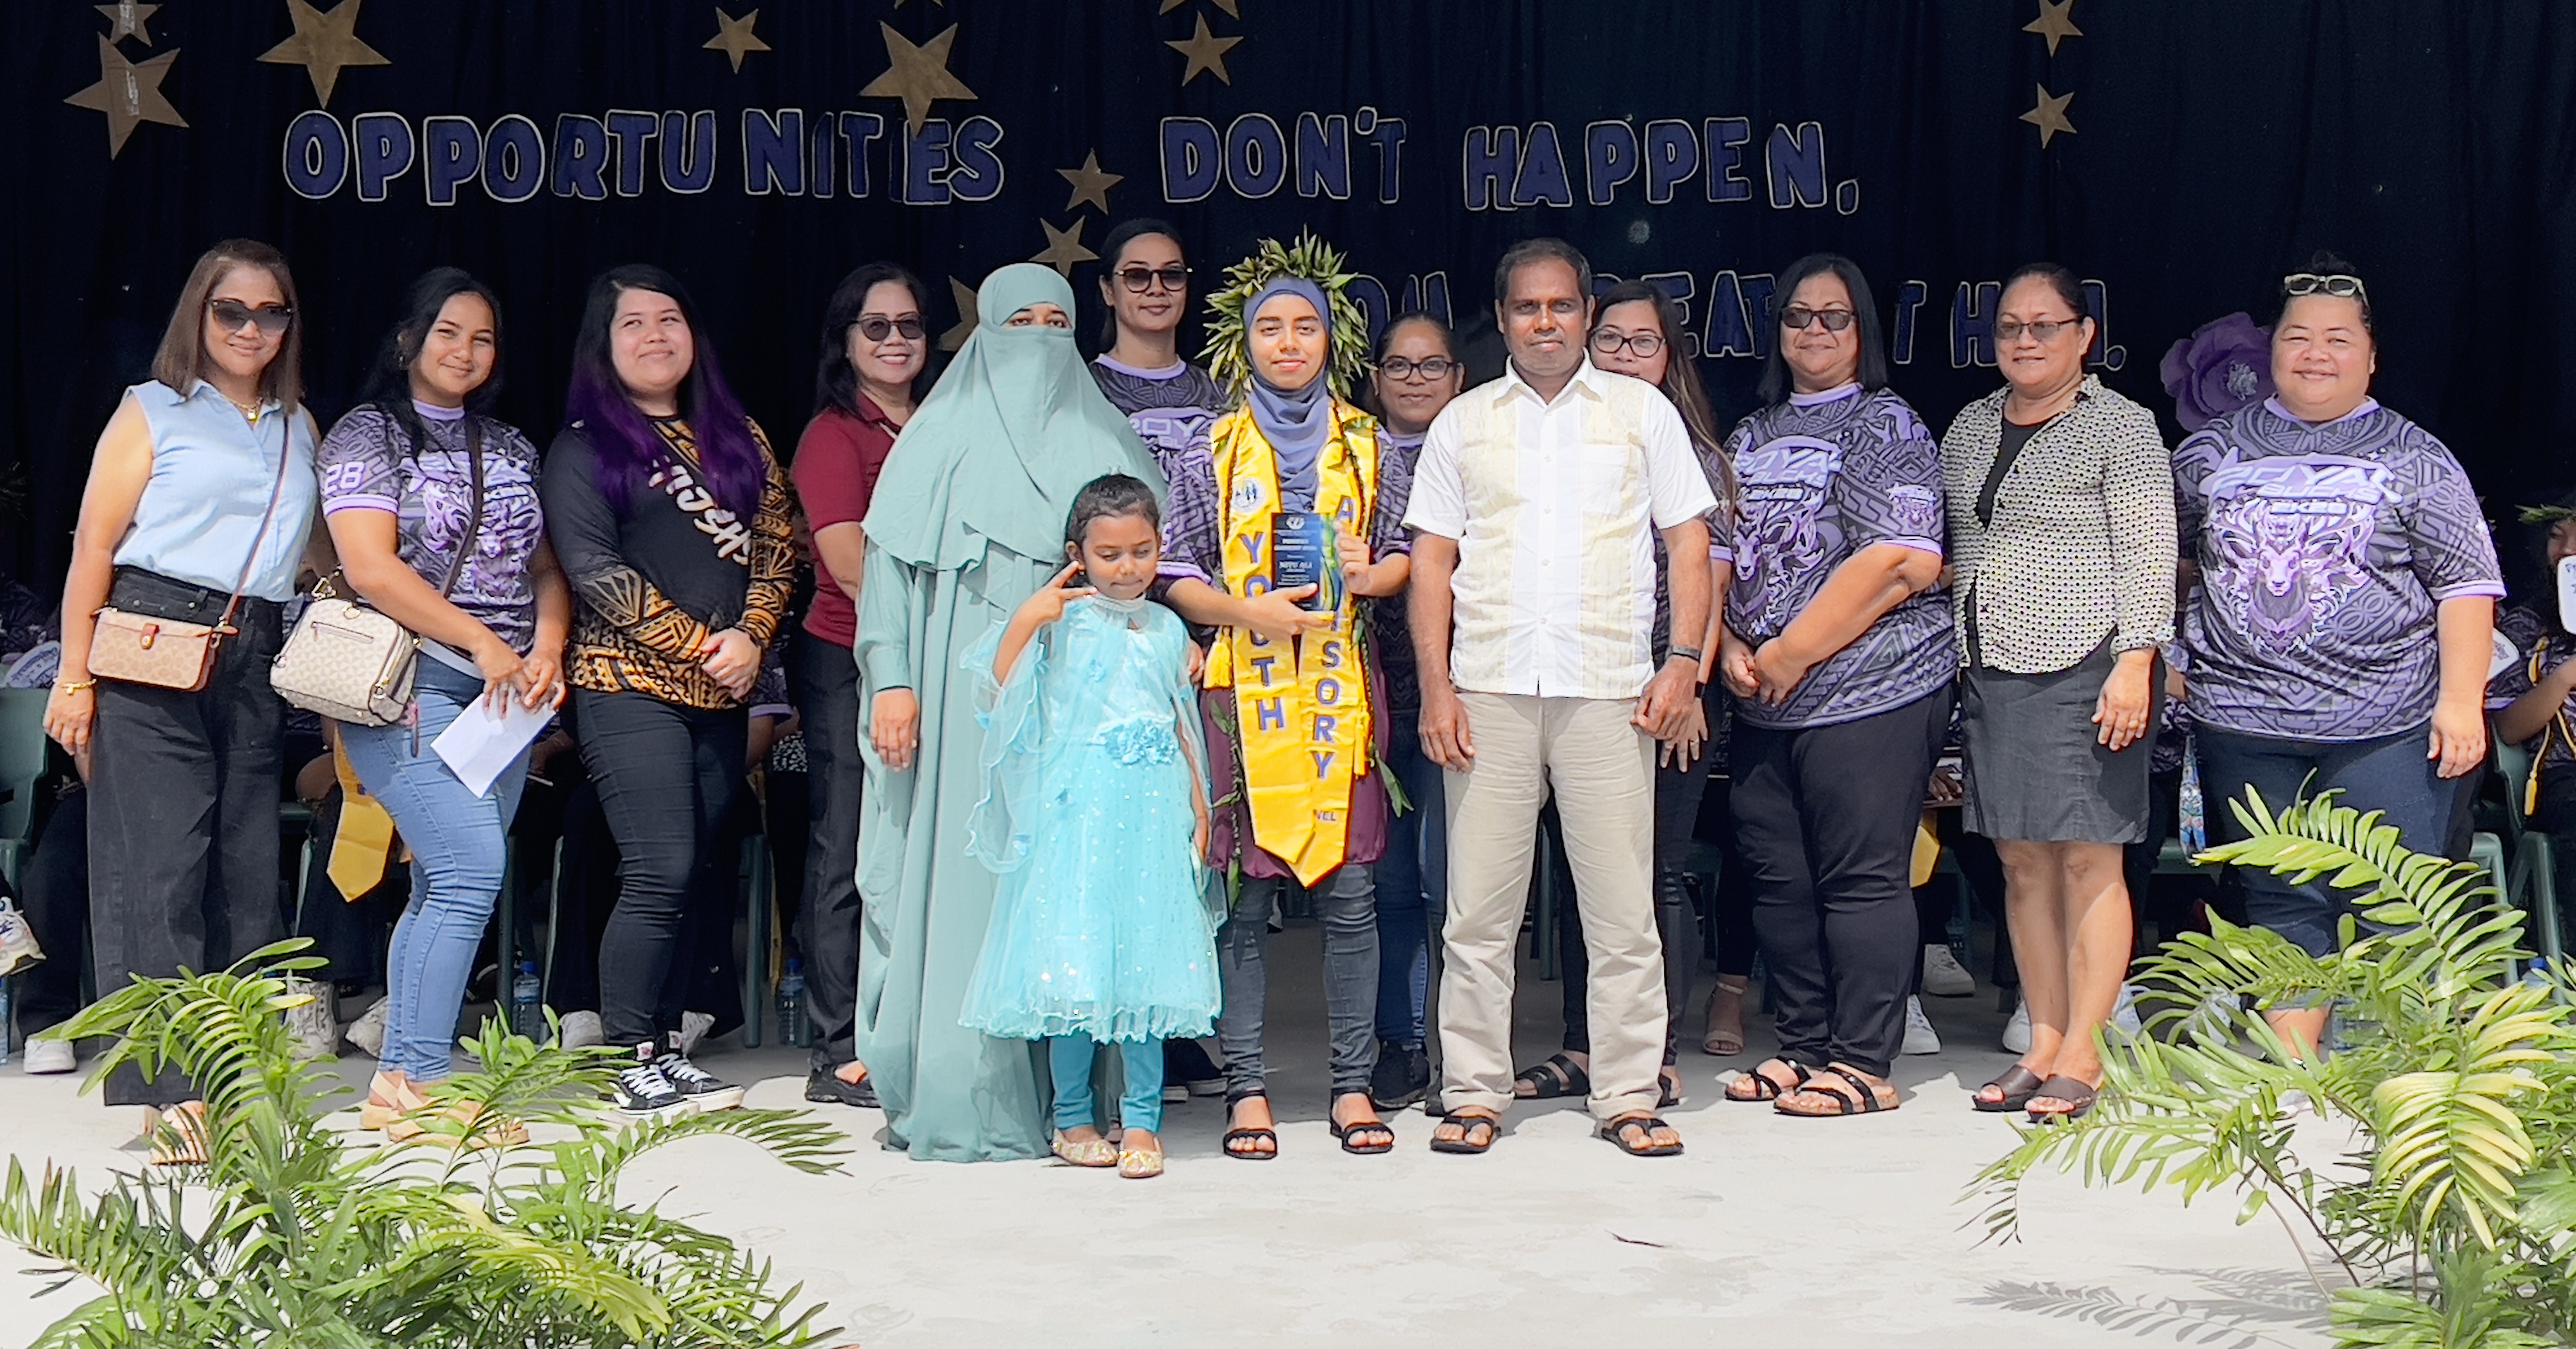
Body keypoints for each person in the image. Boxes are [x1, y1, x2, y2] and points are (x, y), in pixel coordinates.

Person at [1407, 238, 1714, 1158]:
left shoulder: (1641, 413)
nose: (1545, 322)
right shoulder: (1465, 422)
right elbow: (1431, 561)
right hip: (1490, 689)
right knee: (1479, 910)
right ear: (1502, 320)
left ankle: (1625, 1091)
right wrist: (1436, 686)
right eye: (1527, 308)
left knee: (1621, 908)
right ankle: (1472, 1089)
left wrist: (1685, 660)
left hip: (1610, 691)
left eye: (1561, 307)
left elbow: (1689, 546)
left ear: (1586, 314)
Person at [853, 263, 1165, 1162]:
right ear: (982, 329)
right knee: (972, 881)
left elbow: (1146, 576)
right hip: (966, 703)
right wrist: (894, 683)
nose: (1035, 339)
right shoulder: (933, 442)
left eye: (1053, 321)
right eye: (1014, 320)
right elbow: (890, 581)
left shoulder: (1110, 441)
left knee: (1074, 888)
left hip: (1085, 711)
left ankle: (1083, 1107)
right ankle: (967, 1091)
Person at [2175, 254, 2501, 1062]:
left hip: (2383, 722)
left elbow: (2465, 583)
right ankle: (2295, 1079)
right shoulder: (2208, 455)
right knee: (2277, 898)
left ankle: (2406, 1078)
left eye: (2336, 339)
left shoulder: (2415, 457)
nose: (2314, 354)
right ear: (2270, 351)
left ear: (2369, 356)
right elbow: (2167, 561)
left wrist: (2458, 703)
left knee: (2399, 896)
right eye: (2297, 337)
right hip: (2243, 720)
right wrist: (2169, 649)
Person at [43, 240, 322, 1160]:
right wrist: (74, 677)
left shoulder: (298, 426)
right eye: (230, 310)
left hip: (254, 650)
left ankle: (239, 1081)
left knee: (244, 877)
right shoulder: (151, 410)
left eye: (269, 311)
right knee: (157, 873)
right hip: (153, 636)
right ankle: (169, 1095)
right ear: (198, 315)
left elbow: (320, 553)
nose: (250, 328)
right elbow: (93, 548)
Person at [1159, 236, 1406, 1160]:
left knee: (1351, 897)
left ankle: (1351, 1086)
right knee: (1243, 904)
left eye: (1307, 326)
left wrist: (1372, 573)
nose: (1289, 343)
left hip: (1341, 691)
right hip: (1242, 692)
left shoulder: (1371, 442)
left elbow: (1415, 557)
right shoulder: (1206, 448)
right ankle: (1248, 1088)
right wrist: (1245, 607)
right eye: (1271, 327)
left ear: (1331, 338)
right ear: (1245, 342)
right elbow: (1173, 572)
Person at [318, 267, 571, 1133]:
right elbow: (370, 568)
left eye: (483, 337)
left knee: (444, 883)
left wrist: (545, 646)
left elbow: (543, 566)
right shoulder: (366, 434)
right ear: (407, 341)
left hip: (505, 691)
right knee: (468, 875)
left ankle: (401, 1085)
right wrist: (483, 642)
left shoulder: (509, 446)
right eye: (447, 333)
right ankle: (421, 1082)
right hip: (411, 677)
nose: (465, 351)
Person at [540, 264, 795, 1116]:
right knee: (659, 867)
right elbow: (592, 570)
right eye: (632, 324)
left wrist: (751, 637)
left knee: (695, 870)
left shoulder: (740, 436)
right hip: (624, 687)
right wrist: (699, 647)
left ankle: (663, 1047)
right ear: (603, 346)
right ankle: (624, 1052)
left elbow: (776, 547)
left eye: (669, 319)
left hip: (721, 692)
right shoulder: (585, 446)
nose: (654, 336)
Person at [1717, 253, 1954, 1120]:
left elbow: (1899, 559)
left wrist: (1789, 653)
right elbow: (1720, 555)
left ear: (1863, 331)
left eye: (1833, 317)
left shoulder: (1883, 423)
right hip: (1763, 694)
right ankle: (1804, 1045)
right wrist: (1734, 643)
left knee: (1860, 876)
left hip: (1870, 687)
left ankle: (1862, 1060)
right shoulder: (1749, 433)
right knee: (1777, 876)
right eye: (1796, 316)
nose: (1812, 331)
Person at [1939, 262, 2176, 1121]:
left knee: (2088, 856)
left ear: (2082, 336)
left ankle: (2085, 1049)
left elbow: (2151, 549)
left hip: (2089, 663)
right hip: (1993, 666)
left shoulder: (2120, 426)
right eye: (2009, 326)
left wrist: (2136, 660)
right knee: (2018, 858)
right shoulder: (1967, 425)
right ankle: (2040, 1043)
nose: (2024, 341)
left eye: (2044, 326)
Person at [958, 474, 1220, 1181]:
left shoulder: (1169, 627)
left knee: (1146, 964)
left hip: (1151, 808)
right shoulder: (1058, 621)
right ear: (1079, 554)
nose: (1127, 566)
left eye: (1141, 550)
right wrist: (1025, 620)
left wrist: (1198, 805)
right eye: (1109, 554)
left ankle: (1141, 1119)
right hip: (1075, 811)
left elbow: (1180, 723)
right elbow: (995, 697)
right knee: (1072, 967)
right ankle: (1070, 1116)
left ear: (1160, 547)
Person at [1513, 281, 1733, 1109]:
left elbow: (1704, 578)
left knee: (1650, 874)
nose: (1622, 356)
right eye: (1609, 340)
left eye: (1642, 343)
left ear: (1668, 357)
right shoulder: (1561, 442)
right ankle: (1582, 1043)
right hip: (1574, 687)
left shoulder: (1693, 451)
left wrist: (1686, 681)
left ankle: (1654, 1052)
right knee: (1580, 876)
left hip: (1660, 690)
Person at [1085, 217, 1229, 1102]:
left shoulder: (1221, 396)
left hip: (1196, 646)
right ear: (1105, 289)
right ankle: (1099, 1043)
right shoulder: (1076, 388)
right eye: (1134, 275)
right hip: (1108, 648)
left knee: (1188, 838)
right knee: (1104, 847)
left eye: (1170, 274)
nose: (1153, 289)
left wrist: (1213, 633)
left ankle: (1179, 1033)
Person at [790, 261, 932, 1111]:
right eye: (874, 326)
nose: (892, 341)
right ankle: (837, 1047)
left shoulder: (948, 424)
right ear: (845, 340)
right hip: (851, 661)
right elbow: (848, 566)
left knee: (920, 848)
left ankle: (912, 1028)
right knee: (847, 847)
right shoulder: (833, 436)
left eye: (908, 325)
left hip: (937, 666)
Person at [1364, 312, 1466, 1110]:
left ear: (1458, 377)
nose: (1414, 380)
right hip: (1368, 695)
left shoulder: (1482, 447)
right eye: (1398, 366)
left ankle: (1460, 1048)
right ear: (1374, 378)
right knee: (1389, 882)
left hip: (1462, 695)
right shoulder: (1348, 454)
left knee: (1453, 884)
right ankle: (1399, 1042)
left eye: (1431, 366)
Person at [2490, 491, 2576, 911]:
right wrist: (2563, 677)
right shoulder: (2526, 627)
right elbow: (2507, 727)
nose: (2568, 550)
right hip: (2565, 776)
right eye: (2557, 536)